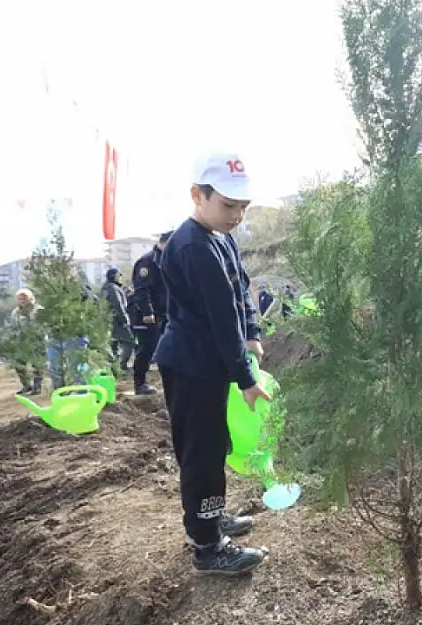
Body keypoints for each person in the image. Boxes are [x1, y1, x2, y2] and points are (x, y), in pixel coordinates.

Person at [155, 151, 270, 575]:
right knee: (201, 454)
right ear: (197, 196)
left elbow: (242, 291)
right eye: (228, 205)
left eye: (243, 207)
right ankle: (207, 547)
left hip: (209, 361)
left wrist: (253, 332)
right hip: (191, 364)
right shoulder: (193, 246)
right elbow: (222, 318)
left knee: (214, 444)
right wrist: (244, 376)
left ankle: (211, 515)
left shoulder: (222, 237)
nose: (237, 215)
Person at [130, 231, 172, 395]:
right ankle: (139, 384)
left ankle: (168, 382)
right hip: (147, 316)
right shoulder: (147, 262)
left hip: (165, 313)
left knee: (166, 349)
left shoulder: (168, 260)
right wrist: (148, 312)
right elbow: (142, 290)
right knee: (146, 349)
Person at [9, 289, 44, 395]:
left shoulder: (39, 310)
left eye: (24, 298)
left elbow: (43, 325)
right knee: (19, 364)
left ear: (30, 298)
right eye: (20, 299)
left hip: (36, 341)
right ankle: (26, 385)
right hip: (21, 341)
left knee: (37, 365)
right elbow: (12, 326)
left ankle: (37, 386)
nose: (22, 300)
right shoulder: (15, 312)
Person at [102, 267, 134, 371]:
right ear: (115, 277)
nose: (121, 278)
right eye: (119, 275)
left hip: (109, 320)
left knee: (113, 344)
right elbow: (118, 305)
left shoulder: (106, 287)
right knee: (129, 342)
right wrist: (124, 319)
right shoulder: (113, 288)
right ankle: (121, 365)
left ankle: (114, 366)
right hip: (118, 321)